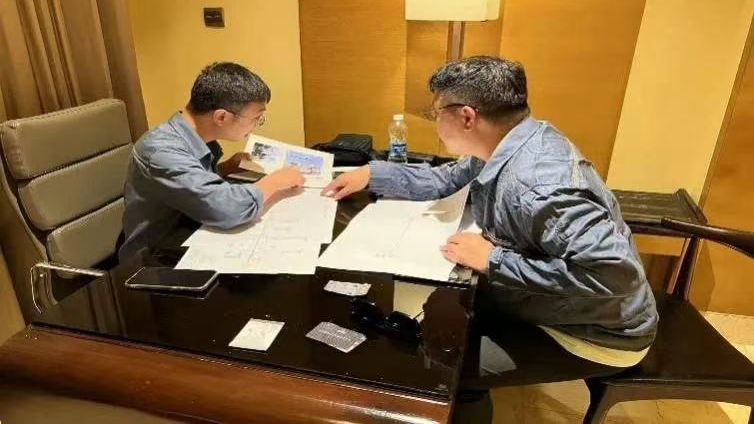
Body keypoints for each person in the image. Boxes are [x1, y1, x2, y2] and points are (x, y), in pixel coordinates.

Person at [323, 56, 658, 368]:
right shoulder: (511, 140)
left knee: (445, 358)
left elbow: (616, 275)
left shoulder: (539, 187)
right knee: (438, 308)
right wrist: (372, 173)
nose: (434, 120)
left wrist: (493, 261)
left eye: (436, 112)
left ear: (467, 117)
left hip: (599, 333)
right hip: (567, 305)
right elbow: (445, 179)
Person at [119, 62, 304, 262]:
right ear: (221, 117)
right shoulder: (162, 151)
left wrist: (225, 169)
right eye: (256, 118)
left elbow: (190, 185)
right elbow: (227, 209)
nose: (256, 125)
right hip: (154, 260)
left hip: (190, 233)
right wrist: (276, 181)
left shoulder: (193, 135)